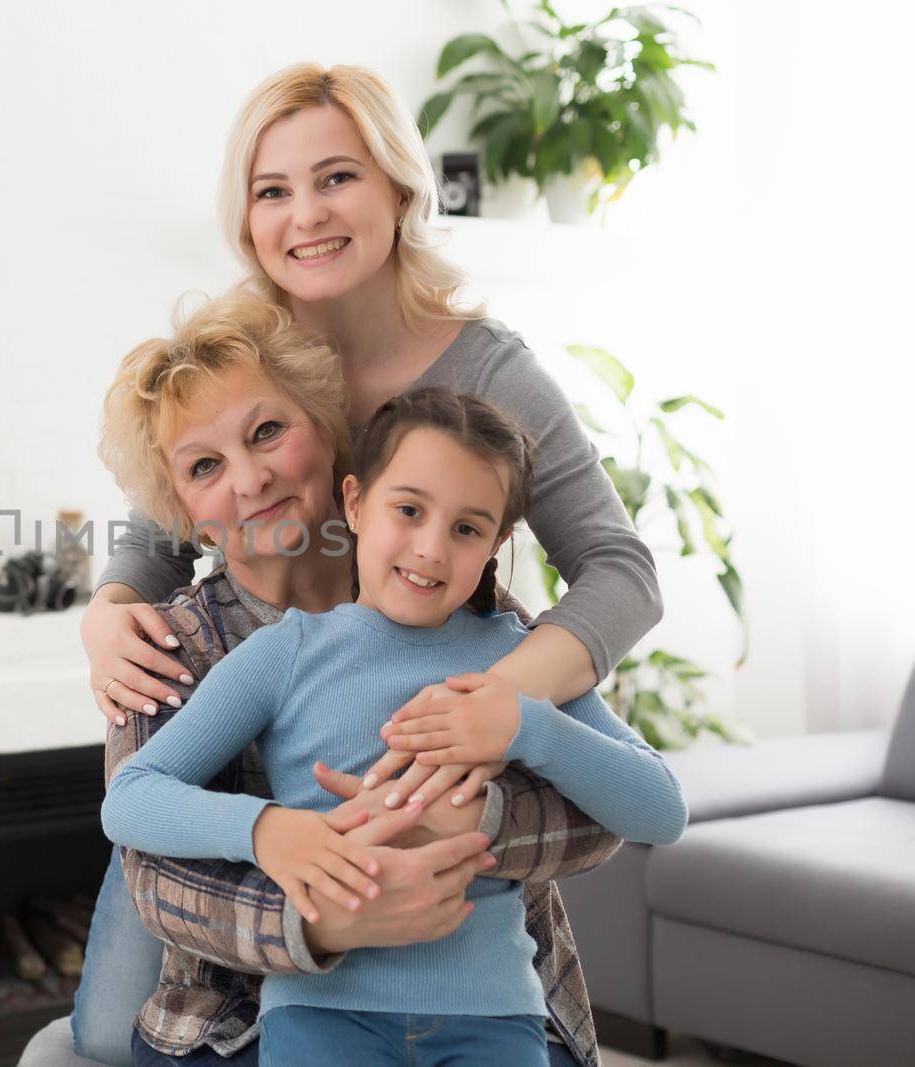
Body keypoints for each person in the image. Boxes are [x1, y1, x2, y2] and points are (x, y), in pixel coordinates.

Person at [70, 62, 662, 1066]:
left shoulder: (484, 378)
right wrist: (111, 605)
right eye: (271, 191)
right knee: (96, 1033)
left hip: (451, 913)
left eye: (336, 177)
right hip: (271, 846)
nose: (305, 214)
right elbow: (161, 513)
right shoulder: (246, 349)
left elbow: (619, 570)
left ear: (400, 188)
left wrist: (493, 704)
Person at [102, 385, 687, 1065]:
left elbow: (662, 809)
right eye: (408, 509)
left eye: (468, 527)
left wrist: (526, 724)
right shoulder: (286, 652)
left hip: (492, 1011)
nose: (432, 548)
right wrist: (268, 830)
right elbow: (134, 795)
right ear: (354, 503)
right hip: (324, 1011)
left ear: (498, 539)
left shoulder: (517, 657)